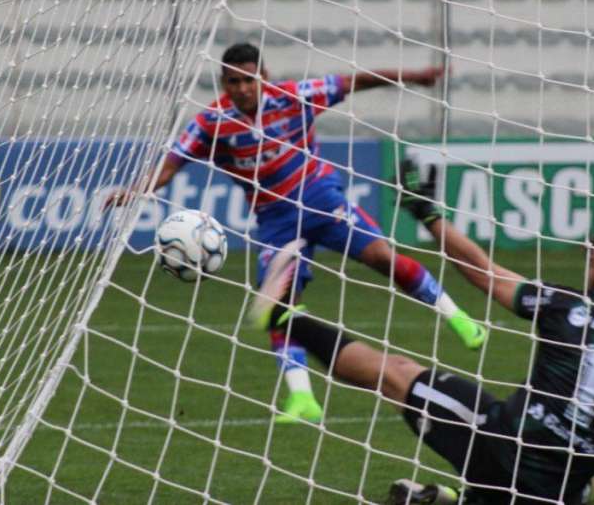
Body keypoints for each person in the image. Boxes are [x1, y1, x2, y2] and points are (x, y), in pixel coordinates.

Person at [248, 160, 594, 504]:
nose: (587, 267)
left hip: (501, 446)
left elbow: (483, 271)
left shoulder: (569, 306)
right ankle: (446, 496)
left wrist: (427, 215)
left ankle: (288, 318)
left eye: (592, 260)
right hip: (562, 490)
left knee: (395, 372)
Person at [107, 43, 486, 423]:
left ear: (264, 77)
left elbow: (357, 81)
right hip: (276, 220)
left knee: (381, 257)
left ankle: (460, 319)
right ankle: (302, 399)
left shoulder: (293, 97)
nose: (242, 88)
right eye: (233, 81)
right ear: (223, 82)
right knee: (278, 304)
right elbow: (172, 166)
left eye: (248, 79)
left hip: (319, 198)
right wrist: (135, 190)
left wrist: (415, 76)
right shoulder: (210, 123)